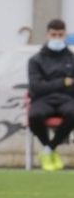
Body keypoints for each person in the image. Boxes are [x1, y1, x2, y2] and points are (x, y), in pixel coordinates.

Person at [29, 18, 74, 170]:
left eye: (60, 35)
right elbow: (36, 87)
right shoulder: (35, 60)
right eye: (54, 34)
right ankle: (50, 150)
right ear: (47, 35)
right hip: (43, 100)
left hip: (66, 99)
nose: (57, 38)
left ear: (65, 35)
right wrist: (62, 83)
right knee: (34, 116)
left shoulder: (72, 59)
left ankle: (48, 150)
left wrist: (49, 85)